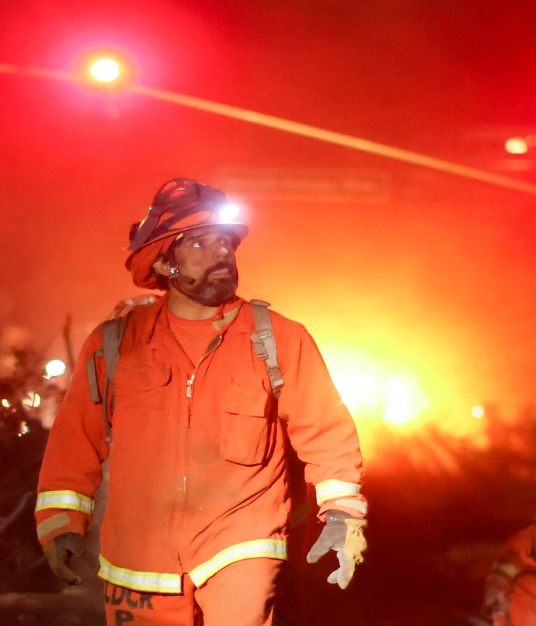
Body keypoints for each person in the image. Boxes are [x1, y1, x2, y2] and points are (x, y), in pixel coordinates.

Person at [34, 179, 368, 626]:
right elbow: (75, 440)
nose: (223, 253)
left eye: (226, 242)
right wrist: (61, 524)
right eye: (202, 242)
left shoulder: (277, 338)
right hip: (139, 561)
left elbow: (326, 432)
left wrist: (343, 514)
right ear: (166, 261)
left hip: (243, 546)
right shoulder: (115, 343)